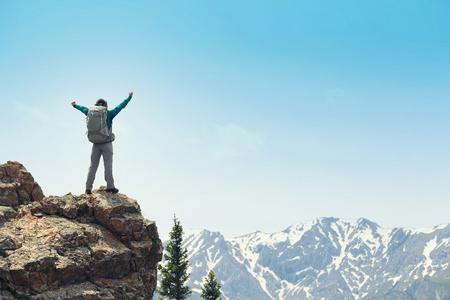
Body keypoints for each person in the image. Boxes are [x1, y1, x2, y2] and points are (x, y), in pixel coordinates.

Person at [71, 92, 133, 194]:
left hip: (95, 143)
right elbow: (120, 106)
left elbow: (83, 109)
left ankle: (88, 189)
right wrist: (129, 97)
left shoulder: (91, 112)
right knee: (108, 165)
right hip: (107, 143)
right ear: (106, 106)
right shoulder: (109, 113)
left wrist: (75, 105)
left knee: (93, 166)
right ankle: (110, 187)